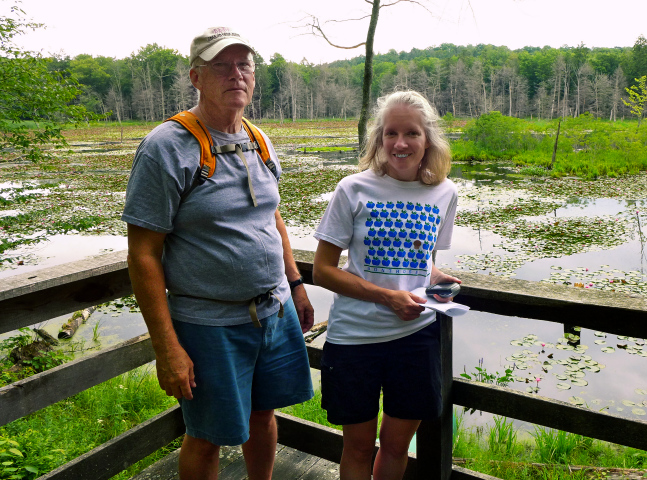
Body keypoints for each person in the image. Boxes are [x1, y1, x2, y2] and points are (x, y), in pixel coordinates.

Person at [122, 26, 314, 480]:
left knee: (264, 414)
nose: (236, 74)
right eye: (221, 66)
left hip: (274, 311)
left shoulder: (258, 139)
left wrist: (297, 284)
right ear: (196, 77)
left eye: (244, 64)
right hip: (209, 324)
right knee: (206, 434)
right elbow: (143, 254)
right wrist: (167, 347)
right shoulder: (166, 147)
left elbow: (273, 217)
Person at [312, 90, 460, 480]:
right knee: (358, 447)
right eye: (390, 133)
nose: (400, 143)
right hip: (354, 339)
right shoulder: (352, 189)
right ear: (379, 140)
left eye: (411, 133)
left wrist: (436, 278)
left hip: (415, 338)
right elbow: (323, 271)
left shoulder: (444, 193)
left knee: (396, 447)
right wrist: (387, 297)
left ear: (427, 140)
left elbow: (422, 262)